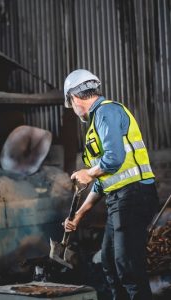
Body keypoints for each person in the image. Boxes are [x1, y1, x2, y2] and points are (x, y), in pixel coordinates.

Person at [63, 69, 159, 300]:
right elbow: (102, 181)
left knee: (127, 265)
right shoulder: (97, 123)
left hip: (135, 195)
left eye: (71, 105)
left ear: (74, 99)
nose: (74, 111)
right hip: (120, 198)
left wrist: (89, 172)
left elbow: (113, 160)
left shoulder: (107, 112)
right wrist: (79, 215)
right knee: (109, 261)